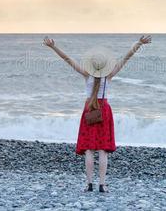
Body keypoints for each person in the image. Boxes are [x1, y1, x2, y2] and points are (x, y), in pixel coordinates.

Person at [43, 35, 152, 193]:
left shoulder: (87, 76)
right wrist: (139, 44)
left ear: (92, 66)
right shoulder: (108, 77)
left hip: (90, 109)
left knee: (89, 149)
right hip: (103, 110)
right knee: (103, 150)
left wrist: (53, 47)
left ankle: (88, 184)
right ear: (106, 66)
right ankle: (102, 184)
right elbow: (126, 58)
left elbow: (67, 59)